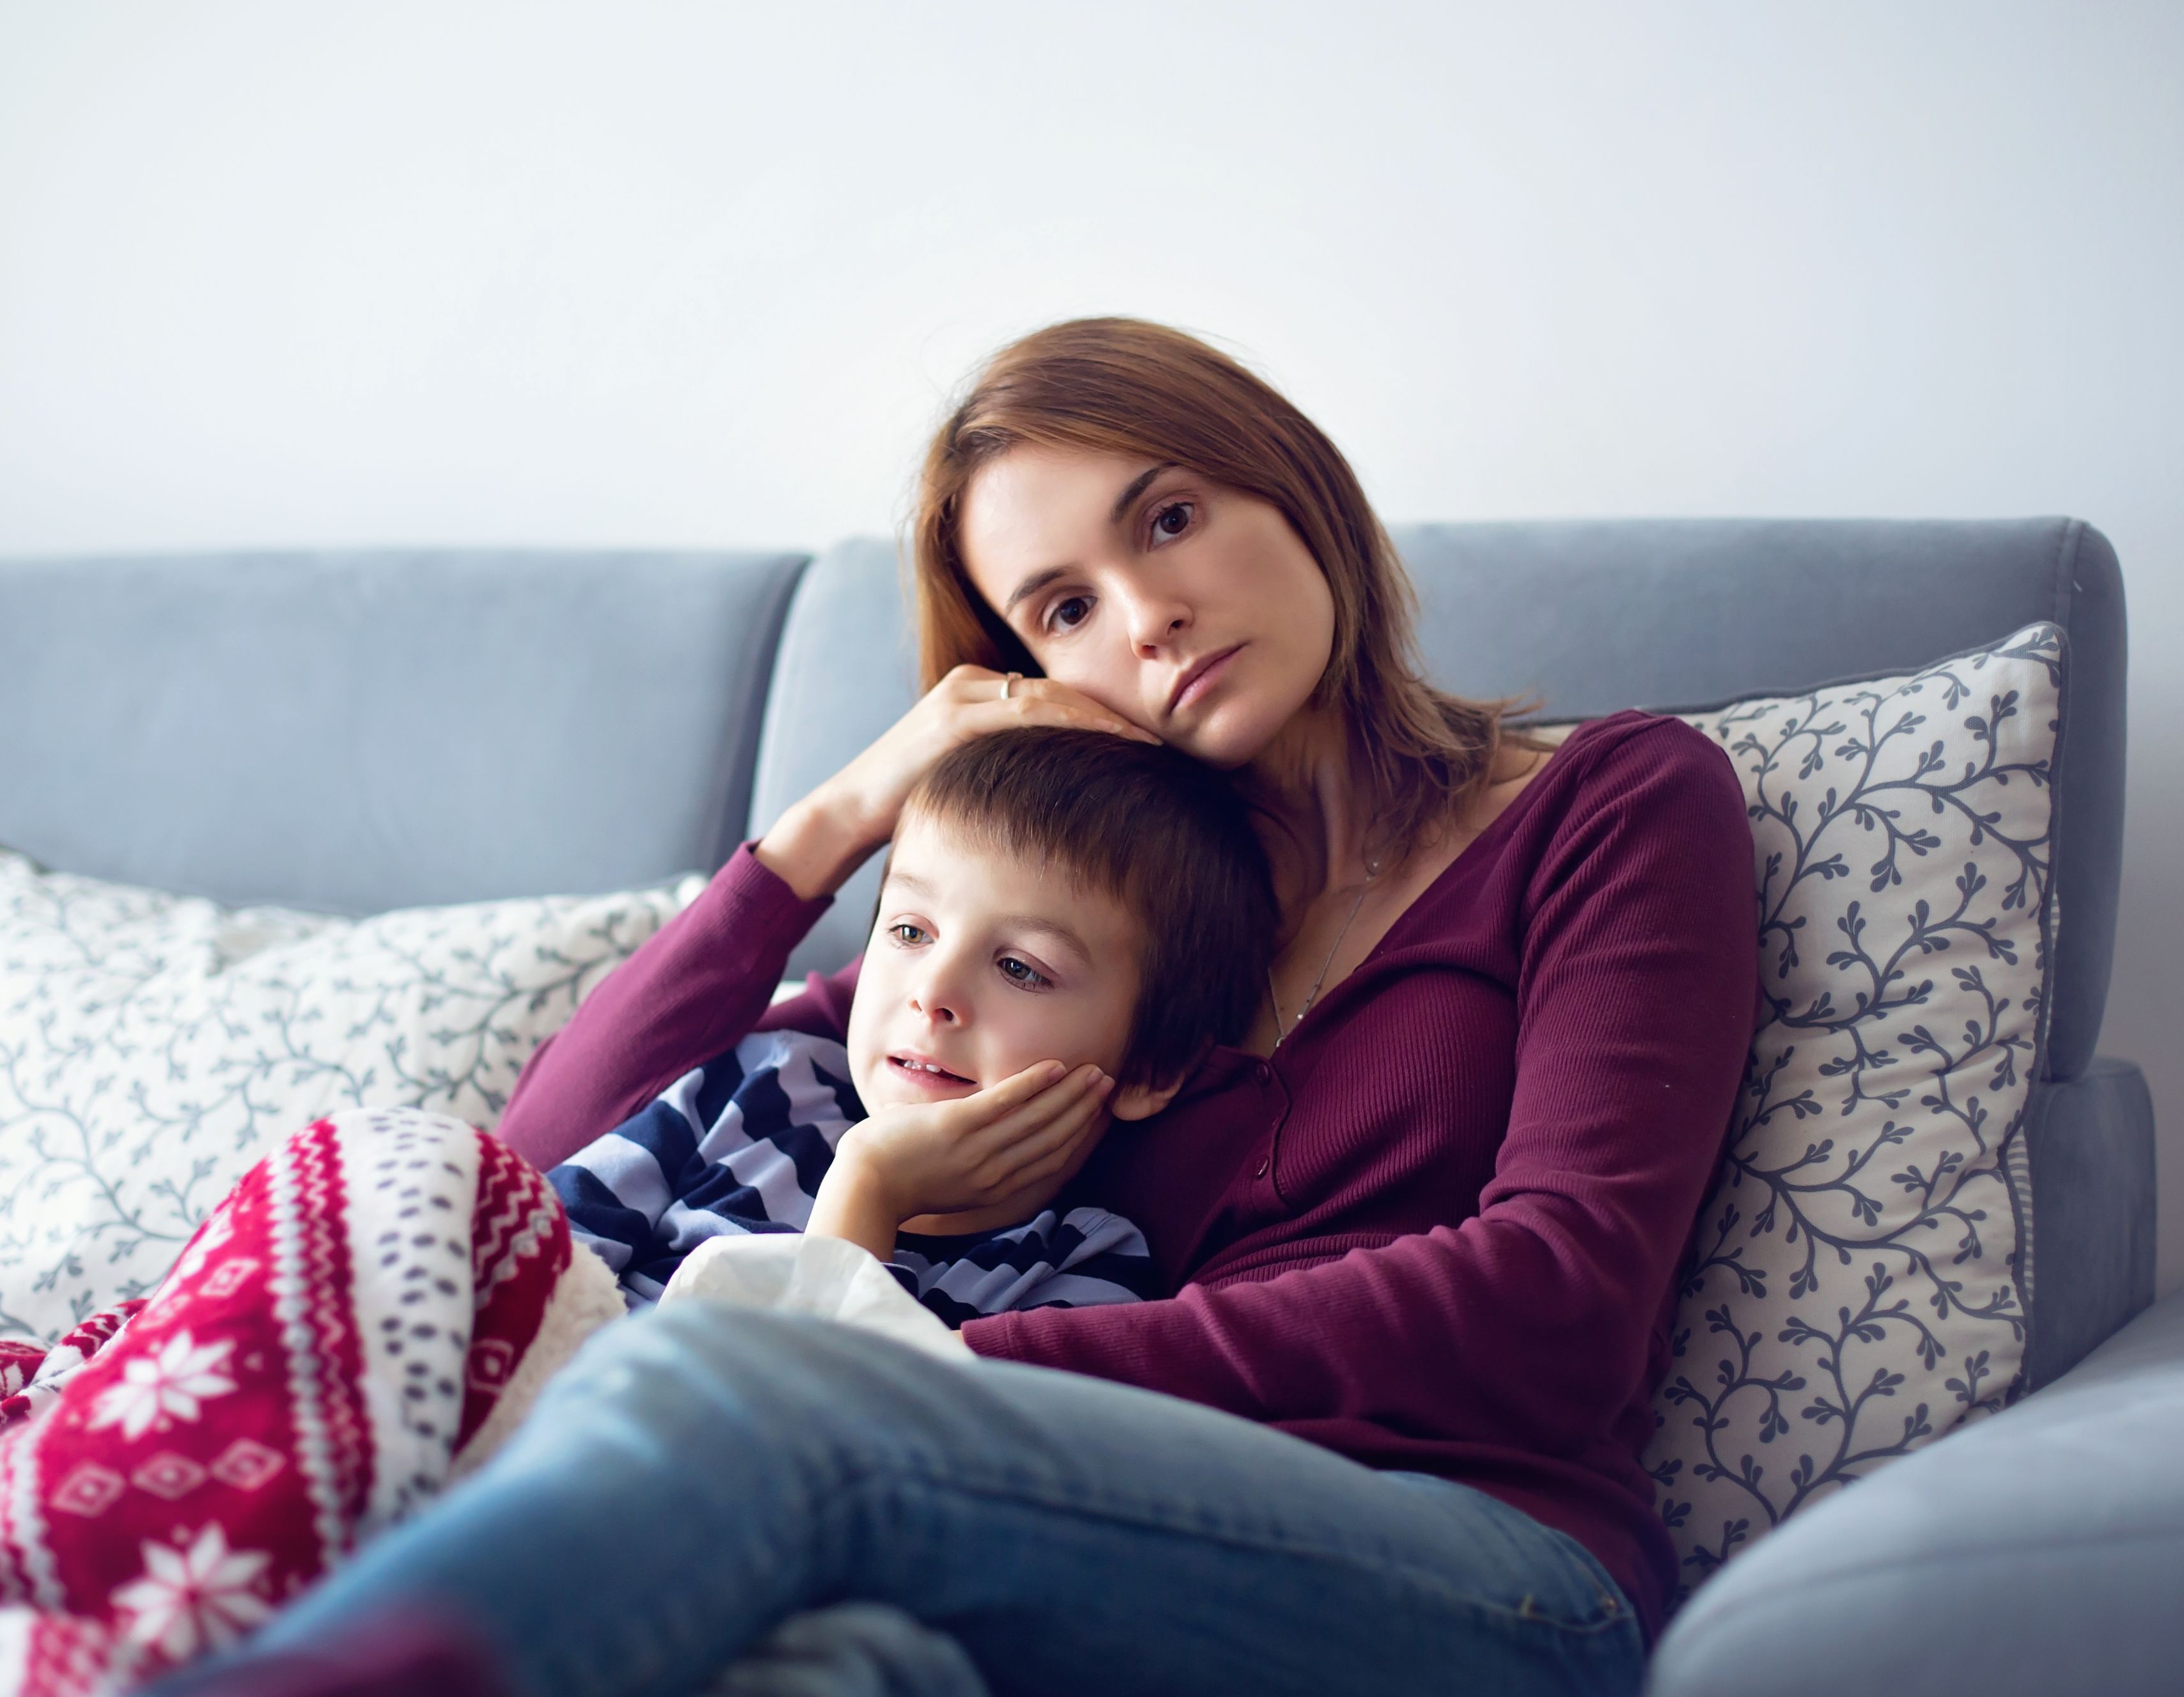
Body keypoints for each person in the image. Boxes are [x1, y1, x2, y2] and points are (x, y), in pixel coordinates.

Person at [168, 318, 1758, 1697]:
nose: (1146, 614)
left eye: (1172, 517)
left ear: (1298, 484)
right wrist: (834, 821)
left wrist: (935, 1378)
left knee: (742, 1383)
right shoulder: (1061, 943)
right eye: (1062, 607)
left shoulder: (1609, 804)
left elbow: (1561, 1300)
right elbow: (539, 1165)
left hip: (1489, 1580)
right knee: (832, 1676)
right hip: (1061, 1553)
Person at [552, 725, 1277, 1325]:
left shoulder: (1083, 1278)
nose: (932, 994)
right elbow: (516, 1267)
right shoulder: (753, 1086)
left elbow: (810, 1442)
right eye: (908, 932)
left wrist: (869, 1189)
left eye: (1020, 968)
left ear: (1149, 1066)